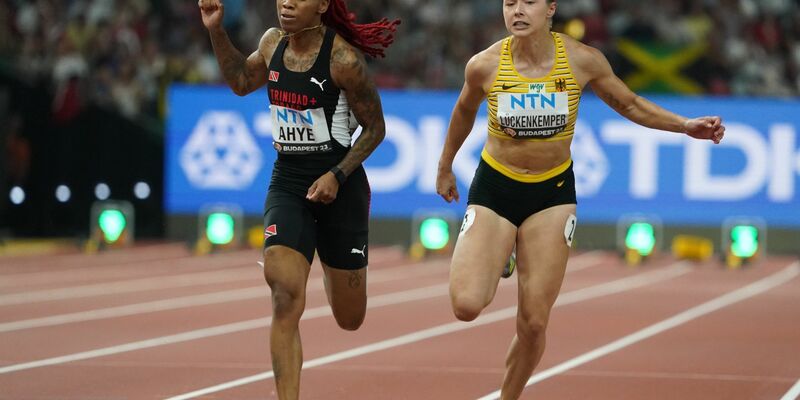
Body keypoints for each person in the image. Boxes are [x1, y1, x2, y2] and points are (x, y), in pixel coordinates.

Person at [436, 1, 724, 399]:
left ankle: (508, 396)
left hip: (551, 194)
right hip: (495, 189)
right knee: (466, 306)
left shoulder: (581, 60)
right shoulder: (484, 65)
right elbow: (464, 111)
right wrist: (445, 166)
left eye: (528, 2)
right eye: (509, 3)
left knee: (534, 323)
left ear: (551, 8)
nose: (517, 11)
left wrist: (685, 125)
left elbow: (630, 103)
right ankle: (502, 249)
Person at [199, 1, 398, 398]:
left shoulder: (343, 59)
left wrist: (336, 174)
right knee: (284, 295)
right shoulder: (272, 44)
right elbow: (240, 80)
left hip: (341, 190)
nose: (286, 3)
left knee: (350, 318)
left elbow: (376, 129)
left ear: (322, 5)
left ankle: (328, 257)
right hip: (288, 184)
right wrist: (215, 29)